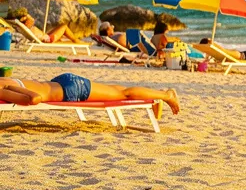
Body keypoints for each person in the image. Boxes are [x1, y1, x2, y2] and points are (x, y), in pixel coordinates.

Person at [0, 74, 180, 115]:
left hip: (71, 90)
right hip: (61, 82)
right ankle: (158, 95)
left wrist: (14, 93)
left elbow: (34, 98)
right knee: (116, 90)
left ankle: (166, 95)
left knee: (124, 94)